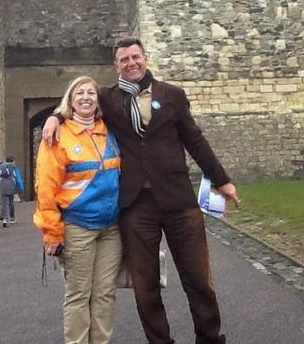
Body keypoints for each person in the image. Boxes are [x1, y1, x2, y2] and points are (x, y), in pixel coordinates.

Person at [43, 37, 240, 344]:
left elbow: (195, 140)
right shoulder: (107, 99)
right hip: (137, 206)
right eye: (124, 59)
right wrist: (54, 117)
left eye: (136, 57)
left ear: (146, 58)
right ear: (116, 66)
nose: (131, 63)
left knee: (199, 279)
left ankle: (210, 337)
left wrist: (221, 180)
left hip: (178, 200)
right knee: (145, 286)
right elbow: (78, 102)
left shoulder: (172, 95)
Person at [34, 76, 122, 344]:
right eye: (79, 93)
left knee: (105, 293)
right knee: (78, 294)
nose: (86, 97)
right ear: (70, 102)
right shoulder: (58, 134)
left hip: (111, 227)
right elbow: (46, 187)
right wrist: (51, 232)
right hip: (77, 226)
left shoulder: (109, 129)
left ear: (98, 100)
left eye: (91, 93)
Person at [0, 155, 23, 227]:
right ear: (13, 161)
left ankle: (4, 218)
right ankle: (12, 218)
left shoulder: (1, 167)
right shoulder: (13, 168)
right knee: (11, 202)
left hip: (3, 186)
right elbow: (17, 178)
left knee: (4, 203)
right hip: (11, 186)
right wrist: (20, 187)